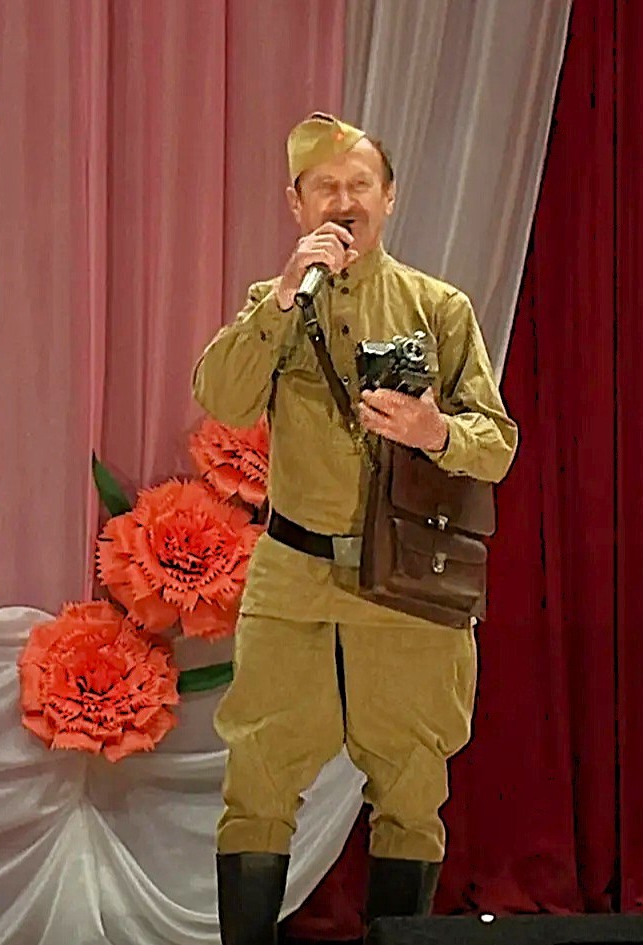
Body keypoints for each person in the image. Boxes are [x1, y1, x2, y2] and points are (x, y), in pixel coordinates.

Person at [192, 112, 518, 944]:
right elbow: (221, 397)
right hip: (292, 579)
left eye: (359, 184)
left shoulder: (436, 307)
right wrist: (279, 297)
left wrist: (433, 431)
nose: (343, 201)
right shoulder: (274, 305)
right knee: (257, 782)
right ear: (296, 205)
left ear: (389, 197)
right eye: (325, 187)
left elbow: (496, 445)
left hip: (405, 583)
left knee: (411, 789)